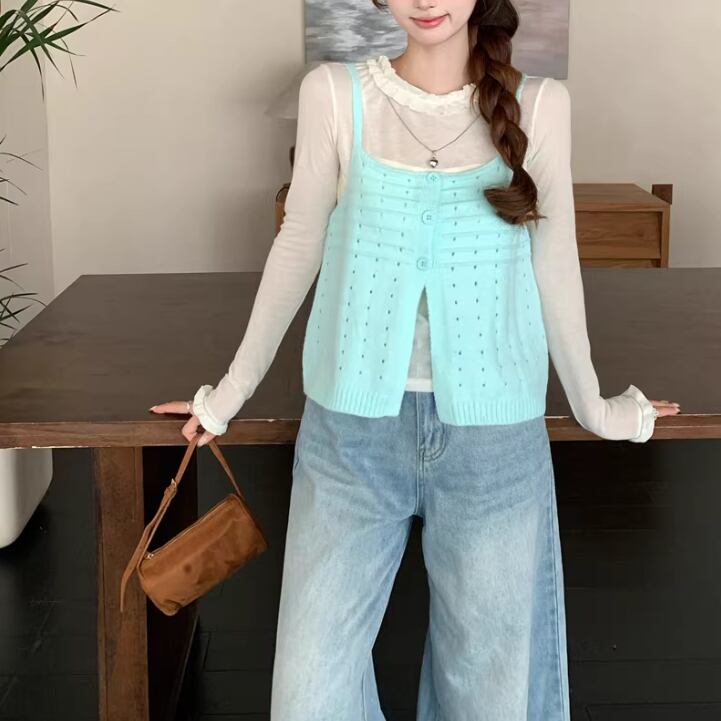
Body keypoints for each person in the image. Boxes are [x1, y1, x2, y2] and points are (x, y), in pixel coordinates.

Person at [150, 1, 682, 718]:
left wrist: (594, 407)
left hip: (494, 442)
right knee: (309, 692)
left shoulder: (540, 105)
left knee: (488, 694)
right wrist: (227, 393)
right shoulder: (334, 93)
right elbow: (298, 243)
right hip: (350, 436)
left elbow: (554, 258)